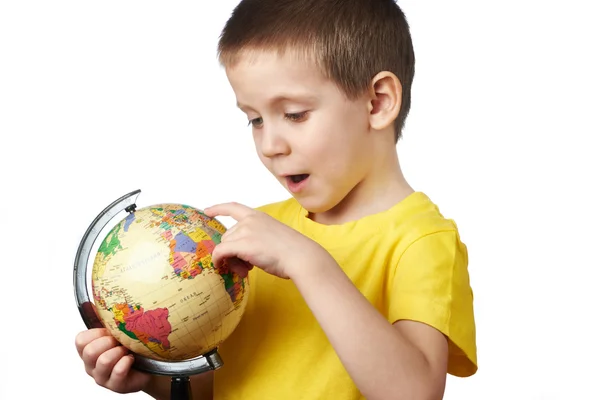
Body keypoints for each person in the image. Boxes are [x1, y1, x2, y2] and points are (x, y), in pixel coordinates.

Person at [75, 0, 478, 398]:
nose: (270, 145)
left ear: (378, 102)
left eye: (296, 114)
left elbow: (413, 393)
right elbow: (225, 386)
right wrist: (151, 378)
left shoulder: (421, 240)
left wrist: (307, 262)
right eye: (254, 119)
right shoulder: (257, 236)